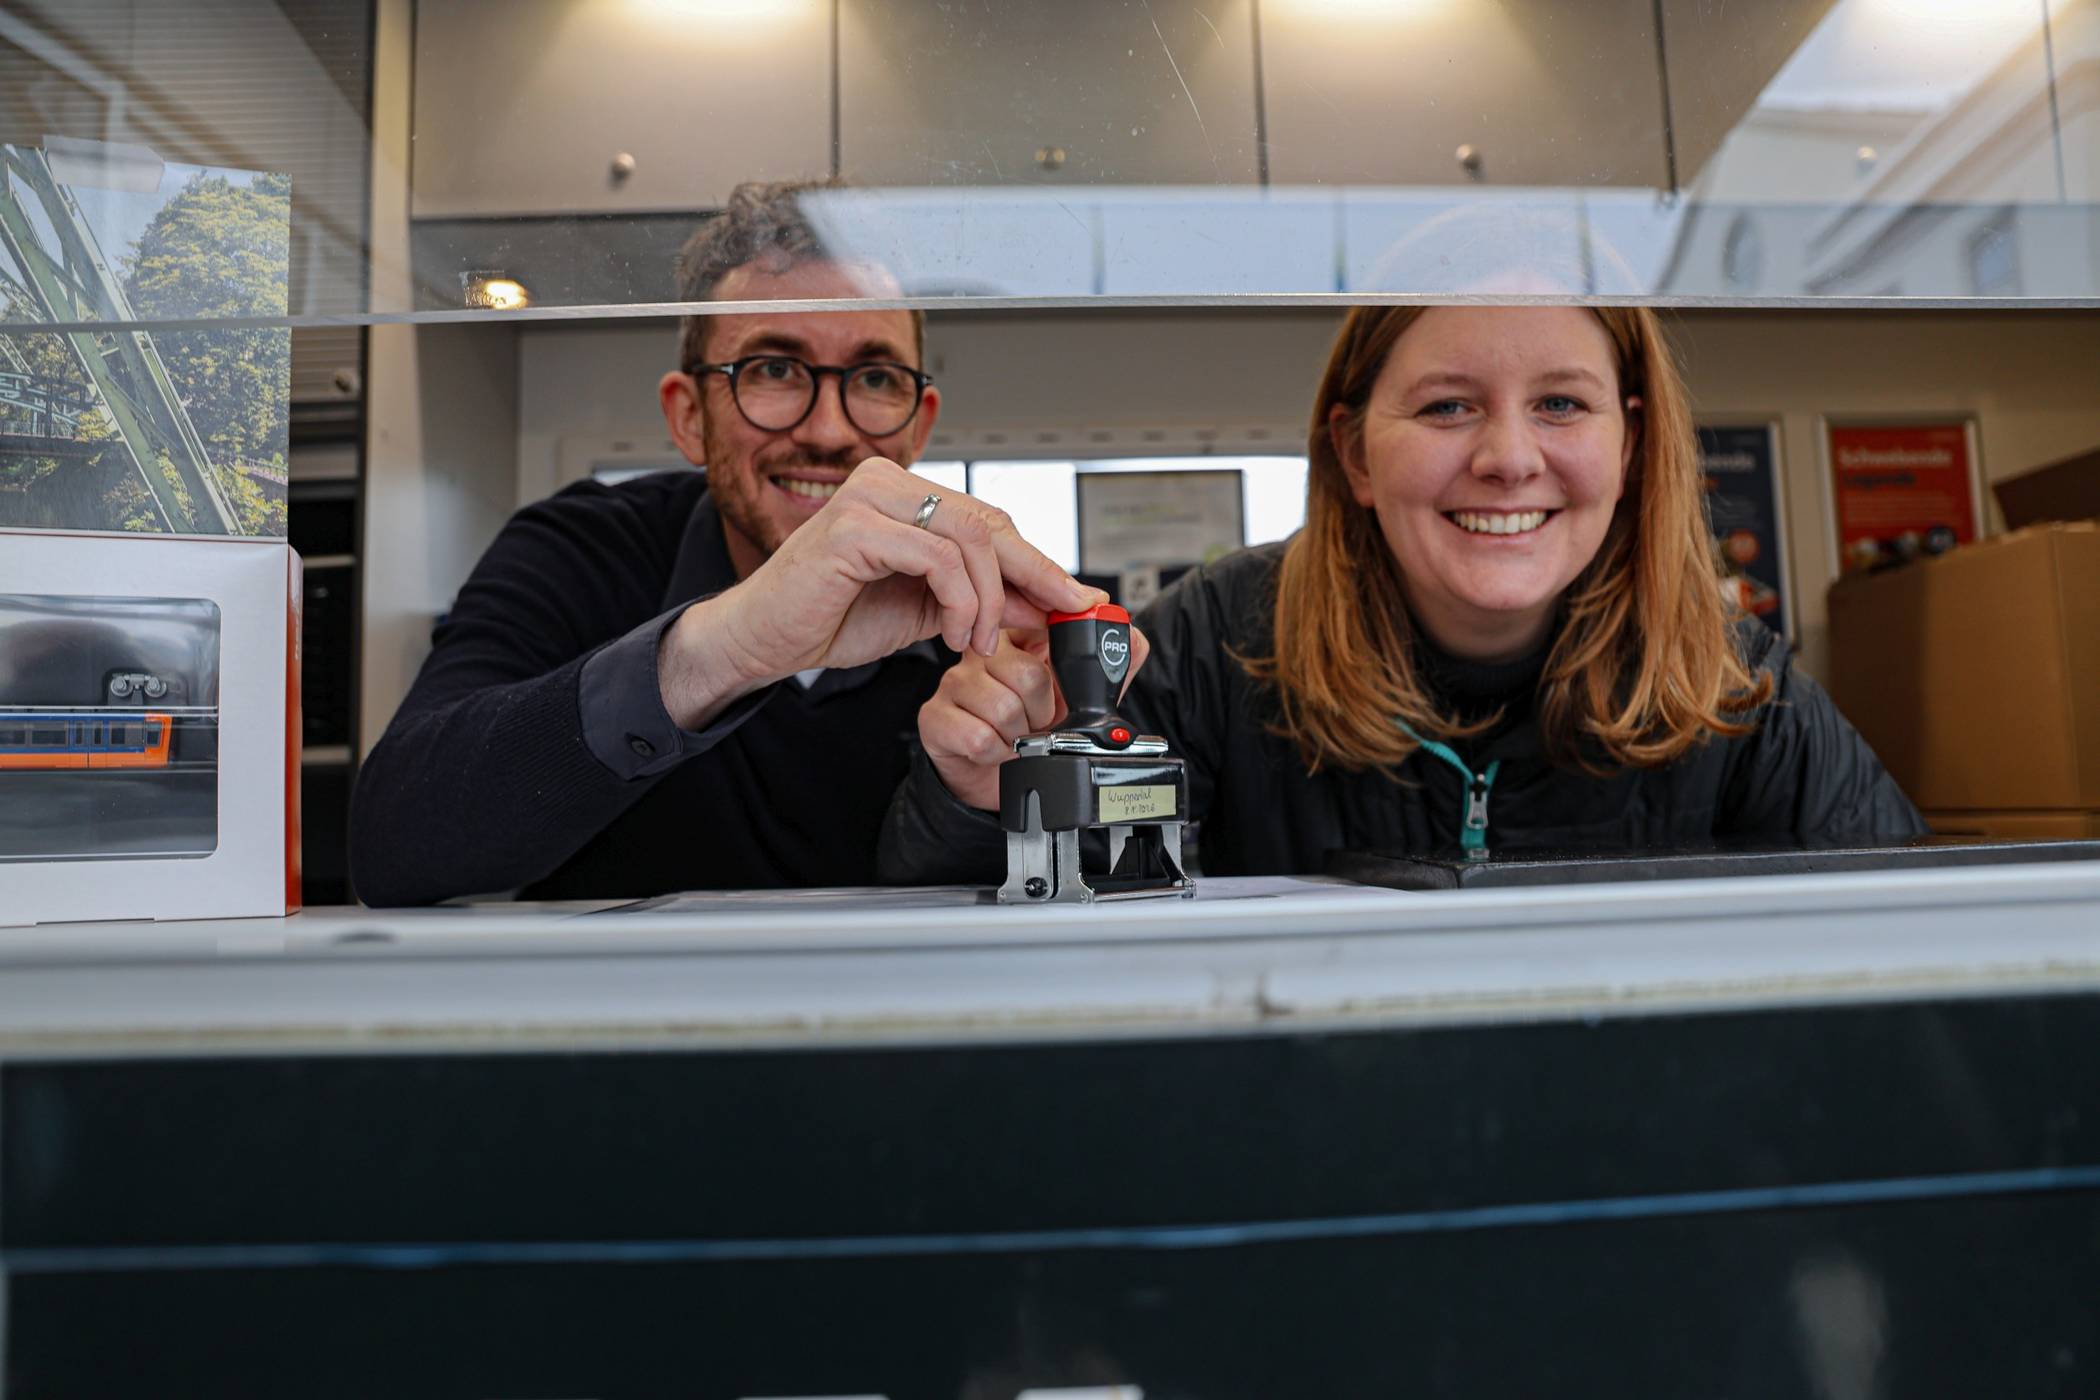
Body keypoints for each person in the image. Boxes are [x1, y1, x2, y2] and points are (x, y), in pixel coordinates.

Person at [879, 305, 1926, 884]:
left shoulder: (1733, 681)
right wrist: (987, 799)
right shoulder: (1211, 641)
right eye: (1447, 406)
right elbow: (1030, 928)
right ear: (1356, 454)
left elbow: (1920, 958)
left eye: (1562, 402)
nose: (1511, 458)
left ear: (1632, 445)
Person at [350, 180, 1098, 905]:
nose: (831, 431)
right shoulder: (583, 549)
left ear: (919, 423)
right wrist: (728, 647)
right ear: (689, 416)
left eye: (874, 377)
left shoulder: (987, 616)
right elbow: (390, 844)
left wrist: (992, 795)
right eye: (773, 369)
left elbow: (1114, 874)